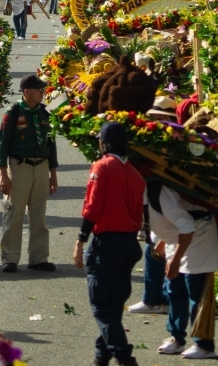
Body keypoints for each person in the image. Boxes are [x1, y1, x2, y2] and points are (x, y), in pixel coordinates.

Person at [73, 122, 146, 366]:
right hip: (129, 244)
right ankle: (100, 357)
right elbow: (140, 213)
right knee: (113, 308)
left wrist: (80, 239)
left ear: (104, 143)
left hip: (106, 245)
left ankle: (124, 357)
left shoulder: (102, 167)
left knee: (103, 307)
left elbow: (92, 207)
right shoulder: (136, 174)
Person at [146, 181, 218, 359]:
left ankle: (204, 345)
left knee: (196, 291)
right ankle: (176, 338)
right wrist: (163, 244)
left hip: (198, 233)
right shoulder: (138, 196)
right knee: (174, 289)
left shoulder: (158, 193)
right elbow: (163, 222)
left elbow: (187, 225)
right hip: (177, 237)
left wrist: (176, 260)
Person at [0, 74, 59, 273]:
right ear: (26, 92)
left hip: (41, 166)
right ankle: (10, 258)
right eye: (38, 89)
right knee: (14, 214)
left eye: (43, 89)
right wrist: (3, 174)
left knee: (39, 214)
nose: (42, 92)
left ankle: (39, 258)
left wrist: (53, 174)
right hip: (19, 166)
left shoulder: (45, 112)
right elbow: (2, 144)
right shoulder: (13, 112)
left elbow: (51, 144)